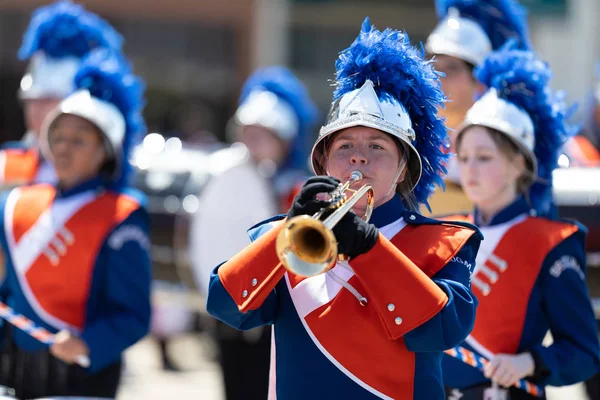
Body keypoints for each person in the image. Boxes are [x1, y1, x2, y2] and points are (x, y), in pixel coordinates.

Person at [206, 18, 482, 399]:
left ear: (405, 169)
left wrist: (370, 248)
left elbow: (442, 329)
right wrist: (290, 228)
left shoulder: (445, 243)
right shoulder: (281, 235)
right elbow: (226, 306)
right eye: (344, 147)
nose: (358, 160)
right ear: (322, 164)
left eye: (377, 147)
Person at [441, 44, 600, 399]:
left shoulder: (551, 243)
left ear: (519, 164)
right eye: (464, 157)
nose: (470, 169)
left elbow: (585, 353)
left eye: (484, 157)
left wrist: (531, 362)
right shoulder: (444, 231)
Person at [0, 48, 151, 399]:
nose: (64, 149)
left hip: (82, 378)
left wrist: (88, 344)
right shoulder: (17, 201)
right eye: (58, 138)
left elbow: (132, 314)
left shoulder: (121, 215)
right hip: (16, 368)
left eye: (79, 140)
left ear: (105, 152)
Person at [190, 66, 318, 400]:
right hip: (233, 305)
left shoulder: (298, 189)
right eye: (247, 133)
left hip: (274, 314)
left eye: (261, 135)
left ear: (284, 142)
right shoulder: (226, 177)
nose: (251, 142)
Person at [423, 0, 531, 216]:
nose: (438, 78)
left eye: (451, 69)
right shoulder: (414, 139)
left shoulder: (505, 140)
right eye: (432, 68)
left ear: (479, 81)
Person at [0, 0, 122, 187]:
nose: (38, 110)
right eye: (33, 101)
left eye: (50, 100)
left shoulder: (96, 177)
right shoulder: (5, 162)